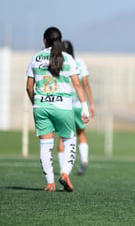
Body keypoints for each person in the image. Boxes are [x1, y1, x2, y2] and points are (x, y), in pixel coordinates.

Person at [25, 27, 90, 192]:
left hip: (41, 105)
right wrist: (84, 107)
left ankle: (50, 183)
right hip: (63, 107)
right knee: (69, 140)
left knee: (46, 145)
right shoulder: (67, 59)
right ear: (60, 41)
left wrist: (36, 102)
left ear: (44, 41)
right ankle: (65, 173)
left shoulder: (36, 58)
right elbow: (77, 84)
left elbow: (28, 87)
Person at [57, 40, 95, 176]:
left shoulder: (59, 62)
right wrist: (91, 103)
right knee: (80, 133)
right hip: (79, 104)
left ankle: (63, 169)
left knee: (63, 136)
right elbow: (84, 83)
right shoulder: (79, 62)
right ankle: (84, 159)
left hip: (64, 104)